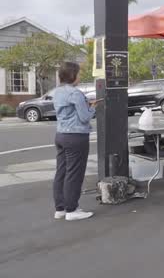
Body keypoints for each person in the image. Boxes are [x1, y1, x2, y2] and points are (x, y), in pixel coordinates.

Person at [53, 62, 101, 221]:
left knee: (62, 172)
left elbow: (70, 111)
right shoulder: (76, 93)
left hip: (60, 135)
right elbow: (85, 117)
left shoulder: (57, 91)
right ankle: (72, 210)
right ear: (72, 75)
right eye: (78, 73)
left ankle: (60, 208)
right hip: (76, 136)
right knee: (74, 173)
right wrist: (93, 107)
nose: (80, 76)